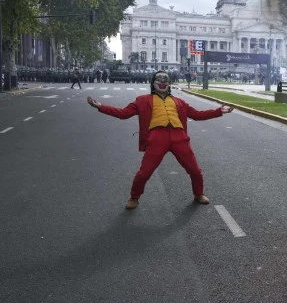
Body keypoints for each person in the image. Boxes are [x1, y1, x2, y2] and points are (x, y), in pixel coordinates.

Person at [86, 70, 234, 210]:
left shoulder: (179, 101)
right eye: (159, 79)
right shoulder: (142, 100)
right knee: (144, 173)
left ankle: (198, 194)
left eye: (166, 80)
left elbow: (196, 114)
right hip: (156, 137)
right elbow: (123, 114)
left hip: (179, 137)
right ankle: (134, 197)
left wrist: (218, 111)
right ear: (153, 83)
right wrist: (101, 107)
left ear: (169, 83)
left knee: (195, 170)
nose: (163, 82)